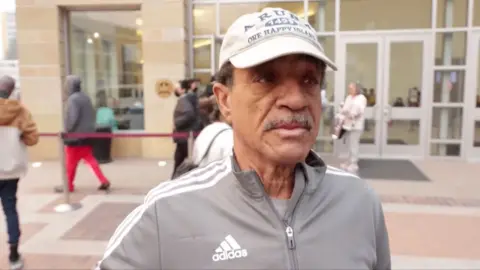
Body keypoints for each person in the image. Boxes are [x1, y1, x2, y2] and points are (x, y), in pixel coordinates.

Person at [97, 8, 390, 270]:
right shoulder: (168, 212)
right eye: (266, 78)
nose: (296, 99)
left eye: (309, 80)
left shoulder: (359, 202)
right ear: (224, 101)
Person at [0, 75, 39, 270]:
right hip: (11, 169)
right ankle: (14, 255)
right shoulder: (21, 111)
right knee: (10, 210)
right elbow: (33, 139)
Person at [56, 75, 111, 193]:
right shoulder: (86, 97)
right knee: (90, 160)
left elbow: (72, 118)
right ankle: (103, 180)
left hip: (75, 137)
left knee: (70, 164)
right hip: (88, 135)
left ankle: (68, 185)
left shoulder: (73, 99)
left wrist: (67, 131)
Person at [171, 80, 203, 177]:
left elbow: (189, 114)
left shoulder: (184, 100)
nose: (175, 90)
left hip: (184, 135)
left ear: (182, 90)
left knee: (179, 160)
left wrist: (177, 124)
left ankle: (174, 181)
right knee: (181, 160)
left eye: (177, 88)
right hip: (186, 135)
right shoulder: (188, 99)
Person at [339, 82, 367, 174]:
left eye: (351, 88)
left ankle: (354, 164)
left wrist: (351, 112)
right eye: (349, 88)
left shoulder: (361, 98)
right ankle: (348, 161)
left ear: (357, 89)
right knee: (349, 144)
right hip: (347, 125)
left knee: (354, 144)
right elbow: (344, 109)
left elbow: (358, 110)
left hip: (356, 126)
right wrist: (345, 110)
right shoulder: (349, 97)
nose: (349, 90)